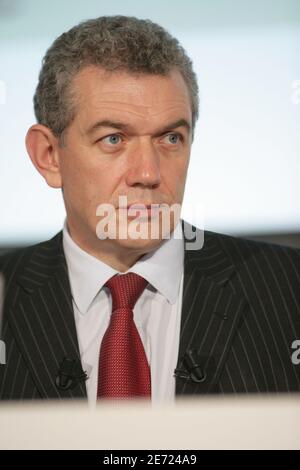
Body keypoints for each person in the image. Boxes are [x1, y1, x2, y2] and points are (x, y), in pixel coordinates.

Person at [0, 16, 299, 402]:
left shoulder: (288, 291)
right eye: (113, 138)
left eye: (171, 138)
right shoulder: (7, 296)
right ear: (49, 156)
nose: (148, 173)